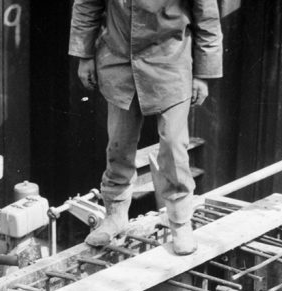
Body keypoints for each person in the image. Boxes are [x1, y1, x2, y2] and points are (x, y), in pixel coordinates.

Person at [70, 0, 222, 255]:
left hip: (170, 64)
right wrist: (84, 55)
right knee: (119, 144)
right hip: (119, 62)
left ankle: (180, 221)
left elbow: (207, 19)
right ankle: (115, 214)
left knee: (174, 147)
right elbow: (87, 4)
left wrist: (203, 75)